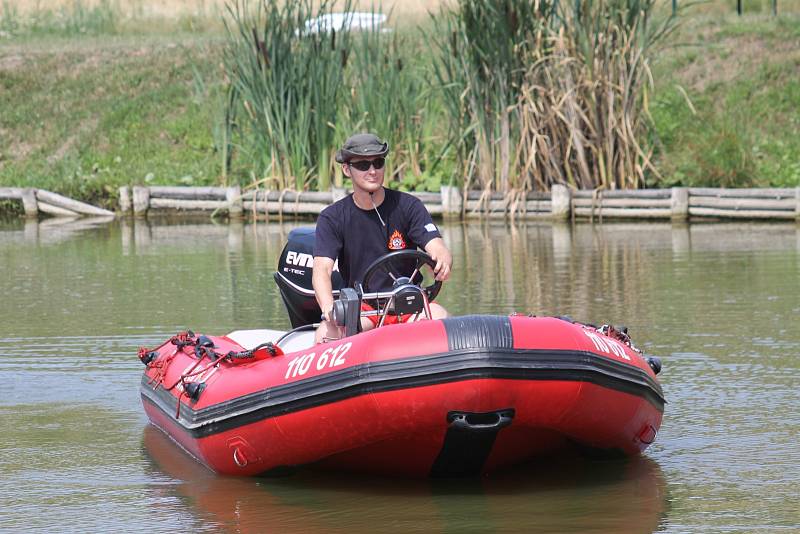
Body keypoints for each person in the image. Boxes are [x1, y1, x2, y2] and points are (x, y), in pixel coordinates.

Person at [312, 133, 452, 343]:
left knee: (440, 316)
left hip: (409, 303)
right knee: (327, 333)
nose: (372, 171)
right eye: (363, 165)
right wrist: (328, 308)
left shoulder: (409, 206)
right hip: (363, 308)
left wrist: (442, 260)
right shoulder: (332, 217)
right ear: (346, 169)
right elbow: (321, 270)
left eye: (378, 163)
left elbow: (437, 246)